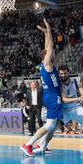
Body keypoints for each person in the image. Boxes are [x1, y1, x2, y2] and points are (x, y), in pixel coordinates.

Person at [30, 74, 83, 158]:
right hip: (64, 109)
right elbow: (64, 99)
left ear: (68, 73)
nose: (63, 75)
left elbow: (82, 92)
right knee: (52, 128)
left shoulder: (76, 81)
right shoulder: (58, 84)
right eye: (61, 73)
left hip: (76, 108)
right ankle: (43, 147)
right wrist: (78, 98)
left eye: (65, 73)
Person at [21, 19, 63, 156]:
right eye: (49, 54)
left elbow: (47, 48)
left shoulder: (46, 65)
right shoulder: (47, 65)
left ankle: (43, 145)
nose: (52, 53)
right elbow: (49, 48)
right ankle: (28, 145)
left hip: (52, 95)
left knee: (54, 124)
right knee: (50, 125)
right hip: (51, 95)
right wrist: (49, 30)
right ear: (45, 57)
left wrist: (45, 33)